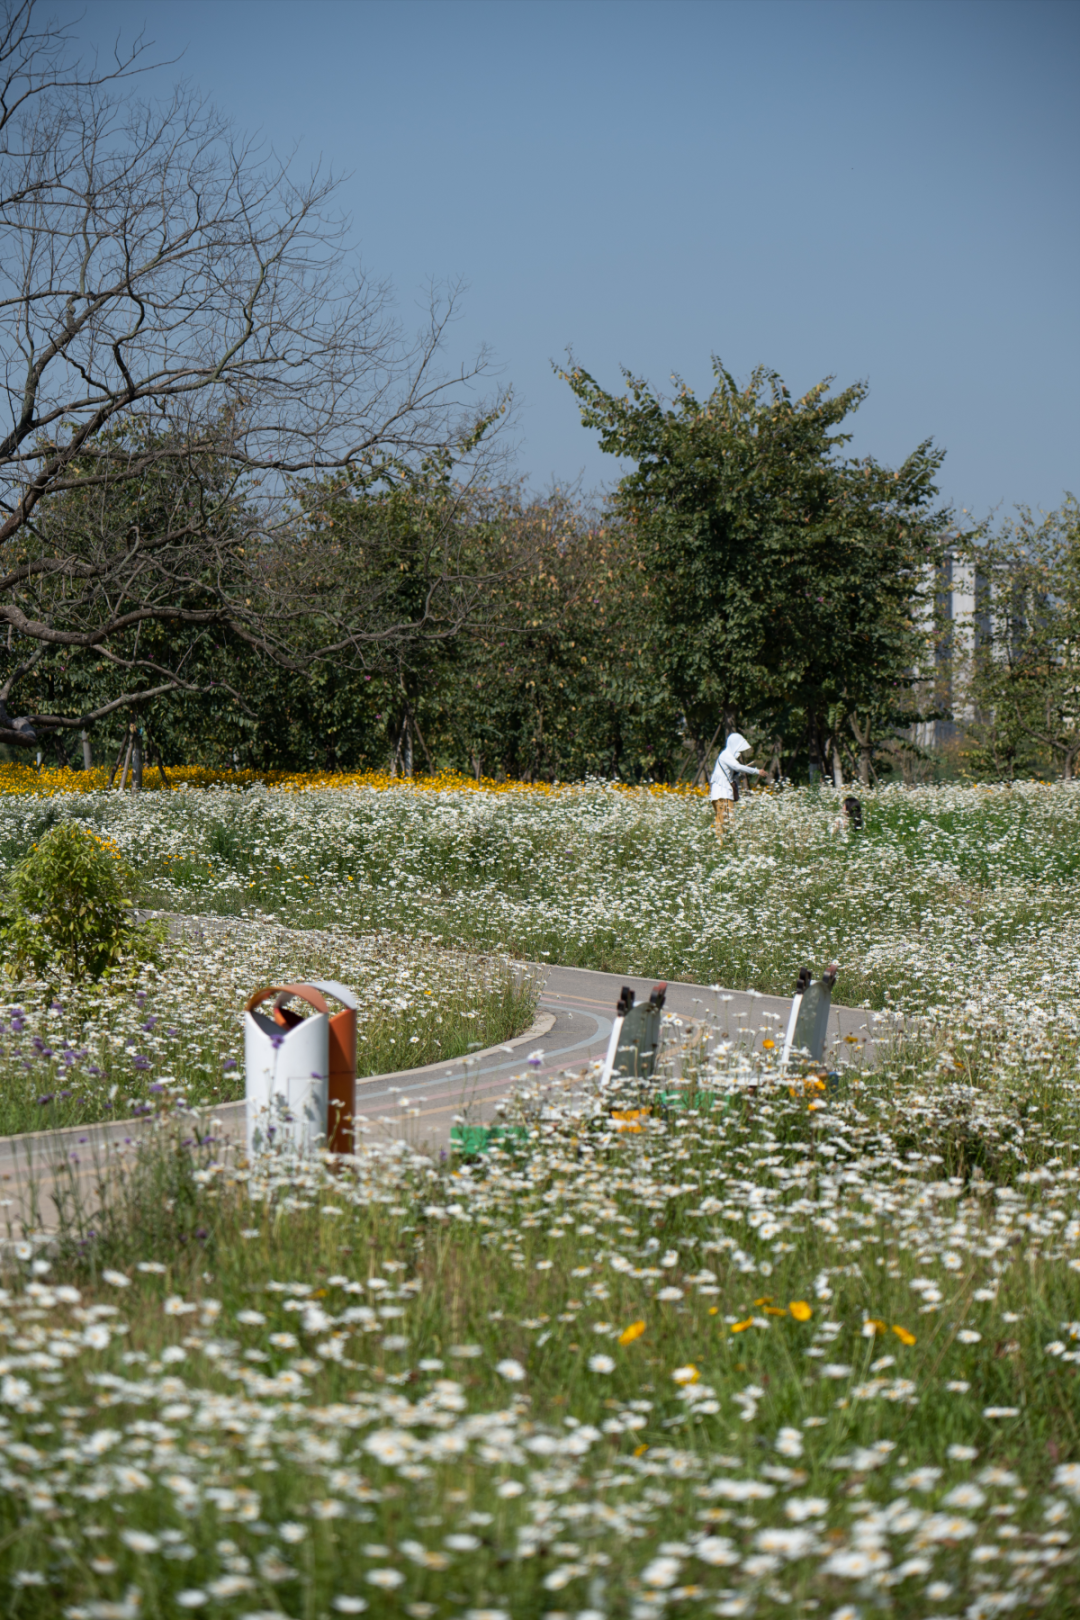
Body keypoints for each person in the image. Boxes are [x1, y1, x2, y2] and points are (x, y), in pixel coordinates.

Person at [709, 732, 761, 835]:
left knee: (729, 820)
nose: (739, 752)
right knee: (722, 821)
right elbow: (737, 766)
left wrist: (736, 772)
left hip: (725, 792)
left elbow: (731, 772)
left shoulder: (727, 756)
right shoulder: (726, 755)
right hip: (721, 792)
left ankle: (727, 844)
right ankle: (721, 846)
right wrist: (756, 771)